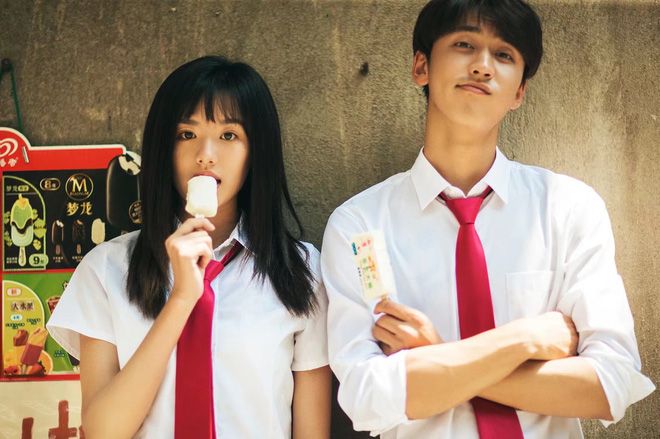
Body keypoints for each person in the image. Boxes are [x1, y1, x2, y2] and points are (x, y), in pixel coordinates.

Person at [321, 1, 654, 438]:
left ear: (519, 92)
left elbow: (609, 386)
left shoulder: (568, 207)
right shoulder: (359, 225)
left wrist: (440, 356)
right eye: (464, 44)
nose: (482, 66)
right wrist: (524, 341)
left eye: (504, 55)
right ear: (421, 66)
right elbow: (367, 397)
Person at [47, 56, 331, 439]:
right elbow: (102, 432)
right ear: (163, 147)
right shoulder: (106, 270)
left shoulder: (300, 272)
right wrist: (180, 300)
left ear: (256, 152)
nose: (206, 154)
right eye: (186, 134)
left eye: (229, 135)